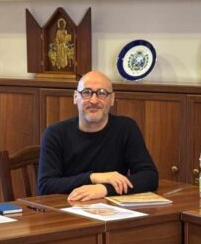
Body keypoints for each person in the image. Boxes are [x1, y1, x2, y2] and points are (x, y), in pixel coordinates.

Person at [38, 70, 159, 202]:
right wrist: (93, 178)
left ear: (112, 99)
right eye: (87, 93)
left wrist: (104, 189)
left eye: (102, 93)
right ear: (75, 97)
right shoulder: (55, 134)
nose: (94, 100)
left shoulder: (126, 128)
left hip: (113, 210)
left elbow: (149, 177)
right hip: (66, 208)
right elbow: (45, 186)